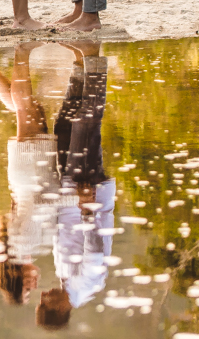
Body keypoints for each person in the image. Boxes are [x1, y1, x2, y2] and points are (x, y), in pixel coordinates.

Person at [0, 44, 72, 305]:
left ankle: (22, 50)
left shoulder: (24, 245)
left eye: (27, 289)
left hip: (32, 170)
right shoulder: (18, 250)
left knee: (27, 106)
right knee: (30, 109)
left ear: (16, 278)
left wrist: (75, 200)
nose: (35, 284)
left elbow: (38, 204)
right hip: (27, 175)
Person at [36, 40, 114, 329]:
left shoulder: (67, 281)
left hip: (71, 189)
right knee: (86, 122)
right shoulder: (87, 284)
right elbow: (93, 249)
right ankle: (92, 59)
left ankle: (79, 62)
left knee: (64, 126)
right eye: (45, 301)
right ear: (59, 308)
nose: (43, 294)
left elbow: (64, 234)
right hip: (87, 193)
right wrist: (88, 207)